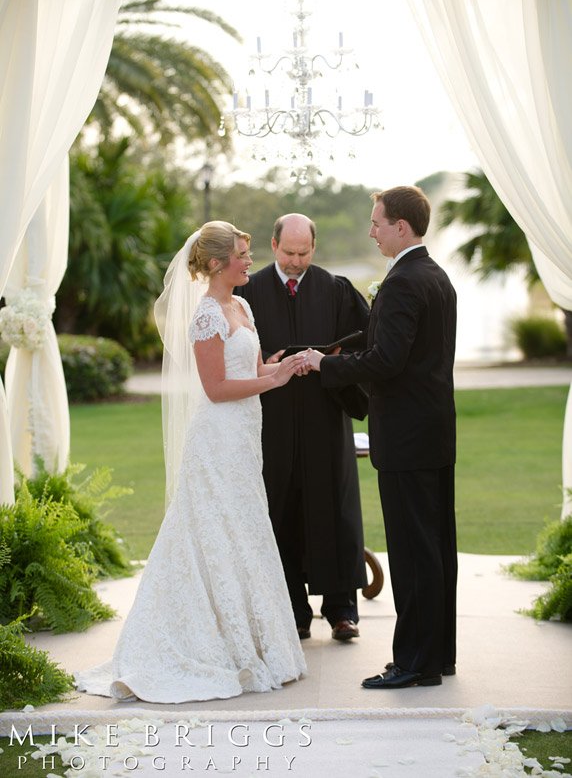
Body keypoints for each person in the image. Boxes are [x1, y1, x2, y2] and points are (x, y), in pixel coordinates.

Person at [76, 221, 307, 702]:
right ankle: (197, 644)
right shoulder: (206, 316)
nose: (249, 262)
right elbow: (217, 389)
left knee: (244, 530)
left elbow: (251, 367)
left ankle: (257, 642)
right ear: (219, 263)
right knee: (210, 531)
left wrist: (280, 366)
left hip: (244, 441)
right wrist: (275, 380)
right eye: (243, 255)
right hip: (217, 440)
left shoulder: (240, 305)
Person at [301, 186, 457, 688]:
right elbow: (395, 347)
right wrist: (335, 348)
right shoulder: (435, 276)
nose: (371, 231)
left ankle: (412, 663)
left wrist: (327, 365)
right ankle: (438, 656)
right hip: (433, 434)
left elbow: (387, 361)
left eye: (376, 223)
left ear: (401, 228)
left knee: (413, 554)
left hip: (407, 440)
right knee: (436, 549)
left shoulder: (401, 283)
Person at [236, 213, 370, 641]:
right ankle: (293, 609)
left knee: (335, 507)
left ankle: (342, 610)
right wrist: (267, 364)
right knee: (280, 509)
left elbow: (366, 344)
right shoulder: (248, 292)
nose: (296, 262)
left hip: (324, 415)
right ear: (273, 246)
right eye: (289, 253)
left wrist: (328, 360)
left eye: (304, 252)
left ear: (315, 246)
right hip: (271, 419)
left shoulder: (336, 290)